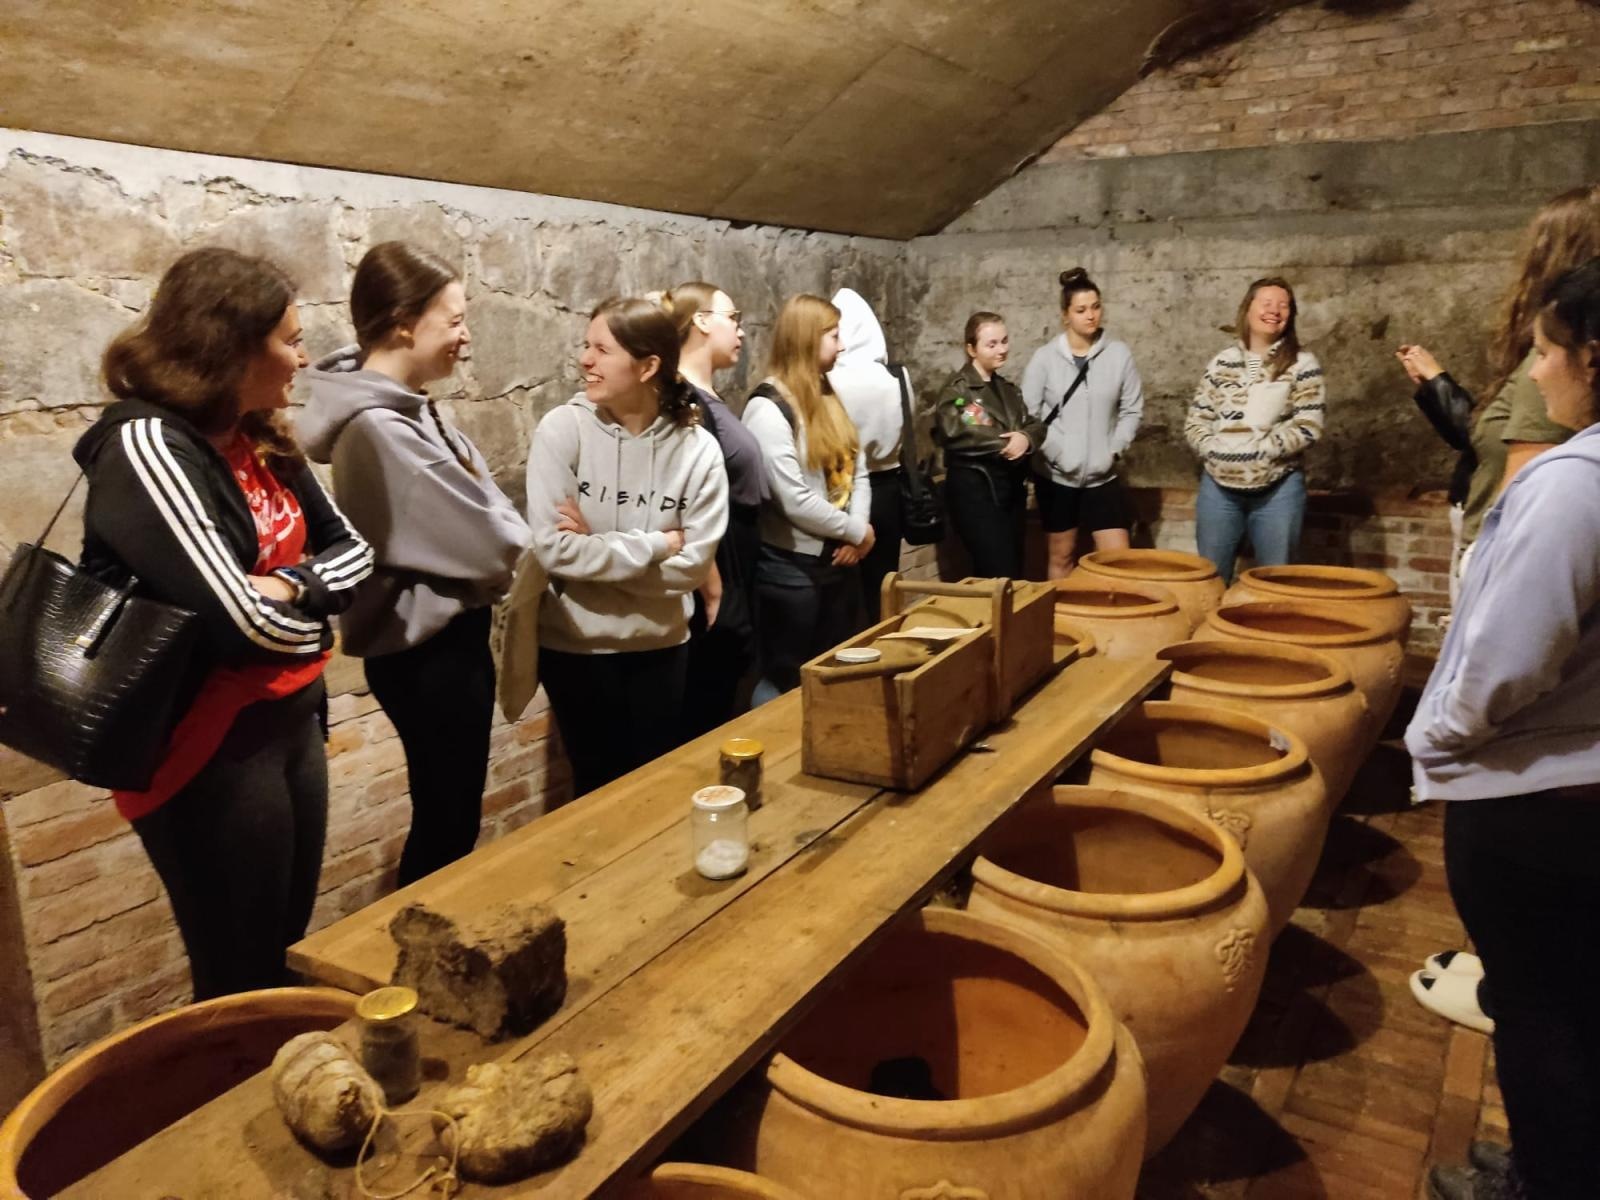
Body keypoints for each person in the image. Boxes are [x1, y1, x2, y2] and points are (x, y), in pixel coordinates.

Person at [74, 247, 373, 999]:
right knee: (237, 972)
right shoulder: (146, 444)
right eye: (290, 341)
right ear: (231, 347)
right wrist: (314, 622)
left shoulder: (256, 432)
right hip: (208, 746)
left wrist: (289, 587)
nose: (303, 358)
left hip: (288, 721)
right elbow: (243, 627)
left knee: (284, 948)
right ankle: (228, 1079)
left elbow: (356, 551)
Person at [1409, 258, 1600, 1200]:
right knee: (1567, 1004)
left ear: (1592, 359)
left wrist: (1436, 737)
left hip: (1540, 796)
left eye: (1545, 351)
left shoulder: (1573, 486)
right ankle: (1547, 1162)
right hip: (1575, 788)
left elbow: (1510, 659)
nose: (1535, 371)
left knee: (1539, 1013)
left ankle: (1544, 1182)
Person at [299, 242, 530, 886]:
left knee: (450, 812)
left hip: (437, 646)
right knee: (447, 821)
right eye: (454, 320)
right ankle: (422, 940)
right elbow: (489, 538)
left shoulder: (408, 406)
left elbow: (482, 502)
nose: (465, 336)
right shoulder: (380, 426)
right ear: (404, 322)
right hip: (429, 654)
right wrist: (514, 544)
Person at [525, 297, 729, 796]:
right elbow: (554, 552)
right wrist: (659, 543)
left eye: (602, 349)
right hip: (576, 648)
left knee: (652, 789)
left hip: (660, 648)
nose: (585, 360)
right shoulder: (563, 430)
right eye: (586, 346)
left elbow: (692, 568)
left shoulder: (698, 449)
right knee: (594, 790)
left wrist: (594, 550)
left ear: (647, 366)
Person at [1397, 185, 1600, 600]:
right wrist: (1437, 384)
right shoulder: (1550, 367)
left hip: (1506, 561)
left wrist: (1489, 568)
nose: (1538, 370)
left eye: (1544, 354)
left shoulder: (1559, 373)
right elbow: (1485, 434)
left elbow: (1520, 501)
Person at [743, 294, 872, 702]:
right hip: (793, 568)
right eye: (833, 335)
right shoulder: (769, 408)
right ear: (806, 339)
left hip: (837, 558)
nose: (842, 345)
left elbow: (857, 466)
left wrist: (856, 533)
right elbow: (793, 499)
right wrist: (855, 532)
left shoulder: (825, 393)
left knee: (835, 666)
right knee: (786, 679)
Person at [661, 280, 767, 739]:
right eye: (733, 318)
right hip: (719, 568)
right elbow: (684, 503)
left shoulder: (706, 396)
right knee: (705, 708)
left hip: (738, 563)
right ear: (702, 321)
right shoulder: (687, 401)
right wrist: (715, 592)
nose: (740, 331)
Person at [1184, 276, 1325, 585]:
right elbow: (1197, 419)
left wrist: (1262, 449)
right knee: (1209, 579)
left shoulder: (1302, 364)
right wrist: (1213, 449)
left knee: (1276, 581)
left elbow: (1309, 425)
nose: (1274, 310)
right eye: (1267, 303)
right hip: (1219, 488)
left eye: (1283, 305)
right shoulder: (1222, 362)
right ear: (1247, 309)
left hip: (1278, 488)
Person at [1022, 268, 1144, 578]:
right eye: (1081, 310)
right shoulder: (1045, 358)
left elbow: (1131, 409)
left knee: (1118, 561)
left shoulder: (1118, 354)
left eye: (1096, 307)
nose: (1091, 316)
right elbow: (1029, 415)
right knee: (1061, 555)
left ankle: (1112, 610)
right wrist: (1056, 453)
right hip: (1057, 477)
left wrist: (1114, 450)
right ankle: (1060, 608)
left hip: (1102, 475)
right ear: (1065, 315)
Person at [933, 311, 1044, 579]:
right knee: (997, 570)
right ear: (971, 349)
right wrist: (1009, 442)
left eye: (1004, 341)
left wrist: (1026, 438)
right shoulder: (960, 392)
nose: (1001, 349)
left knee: (1013, 570)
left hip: (1009, 490)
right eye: (991, 344)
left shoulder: (1008, 389)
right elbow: (958, 429)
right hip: (977, 491)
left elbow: (1034, 424)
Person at [826, 287, 904, 621]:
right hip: (891, 486)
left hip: (847, 491)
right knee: (884, 585)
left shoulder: (831, 381)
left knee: (849, 592)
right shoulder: (897, 377)